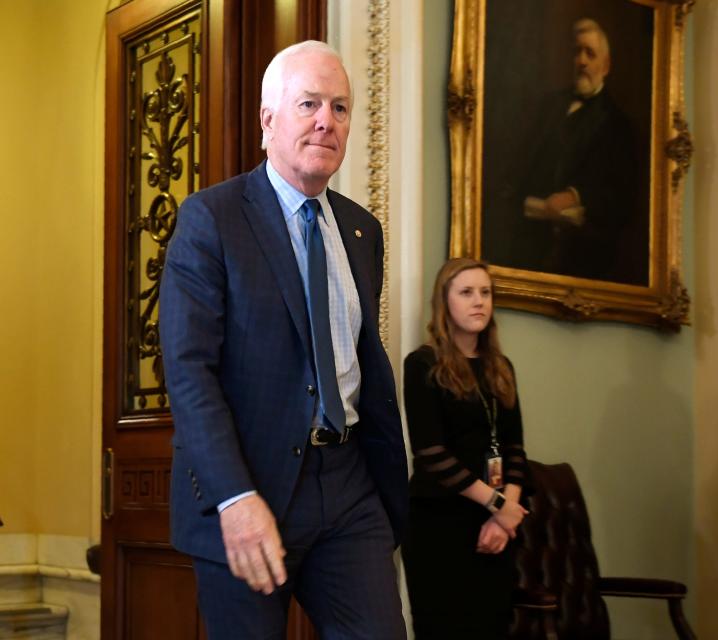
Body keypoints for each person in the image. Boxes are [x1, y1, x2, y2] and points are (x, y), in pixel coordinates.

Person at [159, 40, 407, 639]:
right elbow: (190, 373)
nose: (327, 120)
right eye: (309, 103)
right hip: (250, 483)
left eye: (341, 107)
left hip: (348, 485)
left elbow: (356, 361)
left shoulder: (361, 230)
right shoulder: (210, 219)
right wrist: (233, 497)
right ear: (268, 120)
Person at [402, 258, 530, 639]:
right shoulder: (423, 364)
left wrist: (506, 513)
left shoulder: (500, 366)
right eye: (466, 292)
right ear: (445, 302)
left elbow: (516, 449)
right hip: (440, 524)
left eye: (486, 293)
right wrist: (499, 506)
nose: (479, 302)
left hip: (496, 526)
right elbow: (432, 454)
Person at [493, 18, 642, 282]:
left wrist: (575, 195)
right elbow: (517, 167)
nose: (582, 61)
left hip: (582, 256)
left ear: (605, 66)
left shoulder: (618, 125)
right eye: (577, 52)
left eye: (590, 53)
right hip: (528, 245)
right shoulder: (547, 106)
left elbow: (621, 196)